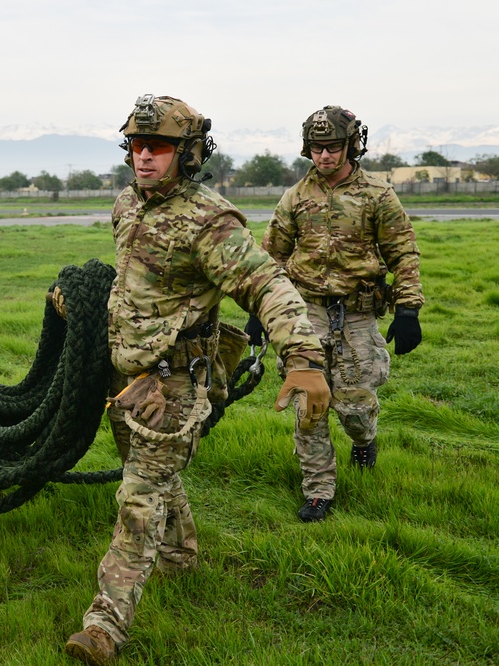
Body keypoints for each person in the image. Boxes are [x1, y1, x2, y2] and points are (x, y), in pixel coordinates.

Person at [64, 94, 331, 666]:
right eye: (135, 145)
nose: (143, 157)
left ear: (187, 154)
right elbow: (132, 285)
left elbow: (268, 284)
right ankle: (182, 559)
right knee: (157, 478)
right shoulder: (127, 207)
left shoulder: (211, 221)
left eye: (157, 146)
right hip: (128, 379)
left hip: (177, 383)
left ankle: (104, 626)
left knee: (138, 496)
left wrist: (304, 358)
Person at [245, 105, 424, 523]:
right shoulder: (295, 197)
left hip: (359, 314)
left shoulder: (378, 195)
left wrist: (409, 308)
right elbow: (270, 256)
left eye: (333, 147)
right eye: (317, 148)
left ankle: (365, 441)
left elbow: (404, 253)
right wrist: (258, 310)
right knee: (309, 404)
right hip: (304, 313)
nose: (324, 156)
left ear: (351, 146)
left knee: (356, 408)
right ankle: (318, 491)